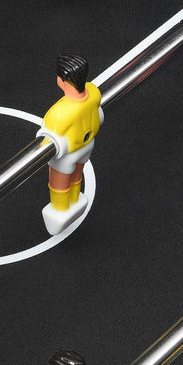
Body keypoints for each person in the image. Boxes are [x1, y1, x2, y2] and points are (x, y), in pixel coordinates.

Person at [37, 54, 102, 235]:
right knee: (76, 176)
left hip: (66, 155)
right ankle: (74, 199)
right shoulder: (93, 92)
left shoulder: (58, 114)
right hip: (86, 147)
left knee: (59, 183)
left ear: (63, 80)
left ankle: (60, 210)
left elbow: (47, 139)